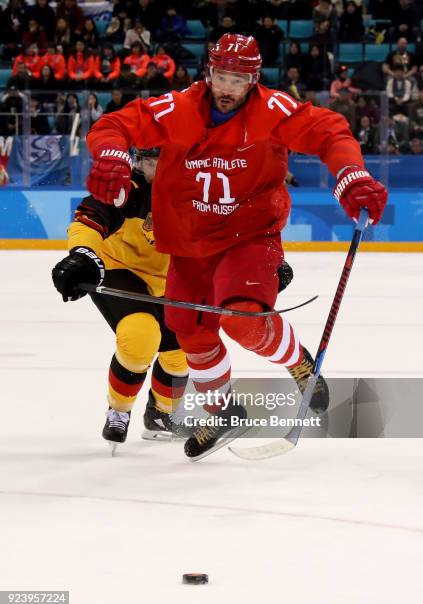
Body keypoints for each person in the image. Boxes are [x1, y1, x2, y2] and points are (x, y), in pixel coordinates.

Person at [82, 34, 388, 460]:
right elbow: (114, 125)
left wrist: (351, 174)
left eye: (238, 79)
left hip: (250, 235)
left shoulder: (273, 110)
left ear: (254, 79)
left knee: (243, 319)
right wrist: (112, 154)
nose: (227, 87)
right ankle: (223, 411)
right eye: (221, 76)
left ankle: (297, 360)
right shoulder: (178, 108)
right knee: (189, 331)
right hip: (188, 244)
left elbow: (328, 132)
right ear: (209, 73)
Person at [51, 148, 190, 448]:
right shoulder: (126, 189)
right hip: (119, 268)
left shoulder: (196, 190)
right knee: (140, 336)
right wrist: (83, 253)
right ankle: (119, 410)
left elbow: (231, 228)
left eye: (162, 162)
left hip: (171, 278)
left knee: (185, 348)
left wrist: (261, 261)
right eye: (149, 163)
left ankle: (161, 414)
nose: (155, 169)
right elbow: (89, 220)